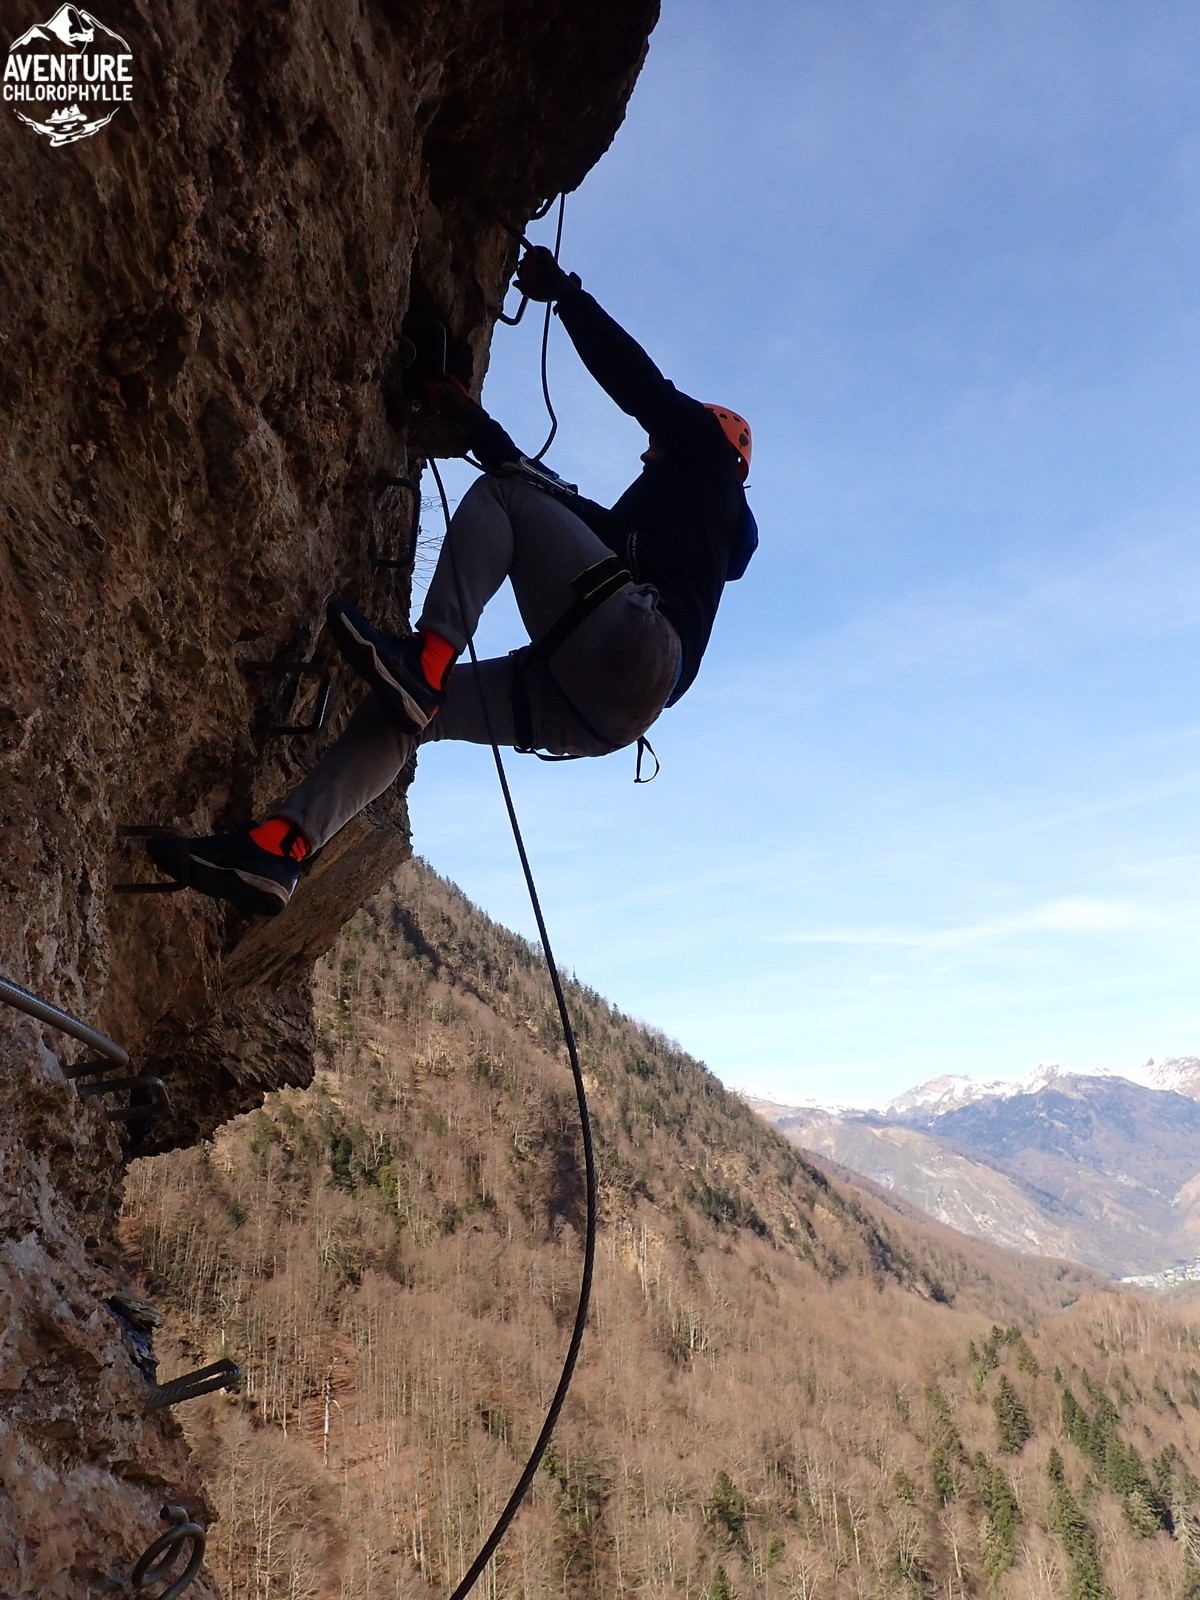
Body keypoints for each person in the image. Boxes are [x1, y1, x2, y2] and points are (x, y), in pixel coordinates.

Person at [145, 247, 757, 915]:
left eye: (657, 443)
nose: (646, 450)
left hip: (633, 638)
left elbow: (643, 389)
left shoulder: (708, 460)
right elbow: (549, 497)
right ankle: (279, 848)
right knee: (411, 718)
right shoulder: (665, 545)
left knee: (497, 500)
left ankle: (425, 658)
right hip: (608, 714)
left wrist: (566, 294)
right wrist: (472, 422)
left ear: (714, 438)